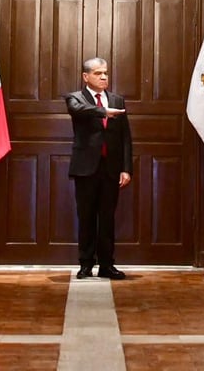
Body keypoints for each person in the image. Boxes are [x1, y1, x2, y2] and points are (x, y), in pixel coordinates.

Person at [65, 58, 133, 280]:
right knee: (86, 217)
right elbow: (79, 111)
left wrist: (126, 168)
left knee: (107, 218)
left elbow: (125, 138)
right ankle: (85, 264)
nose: (104, 77)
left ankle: (107, 264)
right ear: (86, 77)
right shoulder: (75, 98)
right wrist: (103, 112)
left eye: (105, 73)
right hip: (86, 168)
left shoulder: (117, 99)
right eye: (98, 73)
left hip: (110, 169)